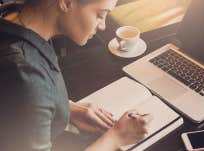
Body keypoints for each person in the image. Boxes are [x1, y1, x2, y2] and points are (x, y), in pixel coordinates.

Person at [0, 0, 152, 151]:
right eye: (100, 14)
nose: (103, 26)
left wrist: (64, 108)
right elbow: (26, 86)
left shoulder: (12, 15)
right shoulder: (26, 73)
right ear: (66, 3)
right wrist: (116, 137)